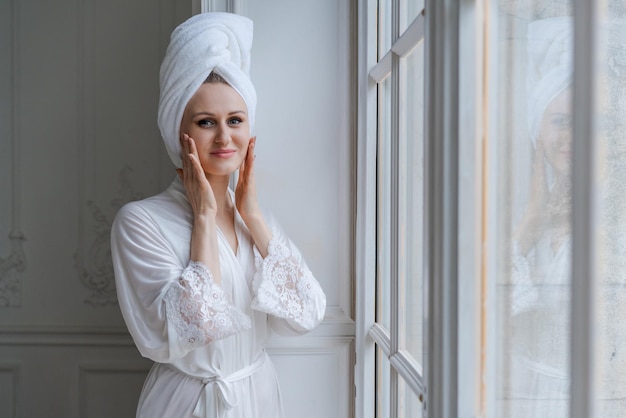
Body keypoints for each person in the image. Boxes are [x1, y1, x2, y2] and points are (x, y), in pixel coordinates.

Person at [110, 12, 326, 418]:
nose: (225, 137)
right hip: (187, 404)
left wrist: (255, 218)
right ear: (180, 132)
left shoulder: (254, 220)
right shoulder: (140, 222)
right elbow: (170, 336)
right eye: (207, 122)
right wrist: (205, 221)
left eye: (236, 121)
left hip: (258, 398)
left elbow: (308, 313)